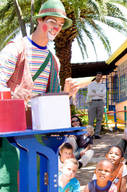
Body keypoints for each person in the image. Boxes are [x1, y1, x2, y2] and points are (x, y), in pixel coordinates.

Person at [0, 0, 79, 190]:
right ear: (40, 20)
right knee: (9, 181)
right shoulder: (15, 49)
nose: (56, 28)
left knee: (37, 181)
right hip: (11, 134)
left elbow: (50, 101)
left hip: (38, 133)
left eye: (60, 25)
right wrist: (13, 97)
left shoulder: (53, 61)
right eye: (52, 22)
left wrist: (65, 95)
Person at [87, 72, 106, 139]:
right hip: (92, 102)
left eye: (100, 76)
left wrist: (95, 92)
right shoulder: (91, 84)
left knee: (99, 119)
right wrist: (99, 92)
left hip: (100, 102)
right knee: (91, 119)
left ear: (101, 77)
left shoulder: (103, 86)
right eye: (98, 76)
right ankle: (90, 134)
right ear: (95, 76)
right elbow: (89, 94)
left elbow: (103, 94)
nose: (99, 77)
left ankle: (97, 134)